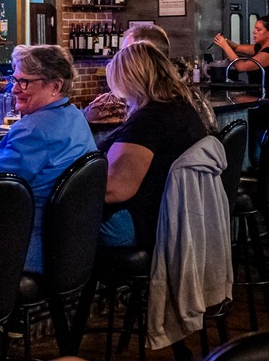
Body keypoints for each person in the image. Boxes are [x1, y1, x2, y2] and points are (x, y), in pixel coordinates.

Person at [0, 45, 94, 273]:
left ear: (55, 86)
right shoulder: (74, 116)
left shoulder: (34, 130)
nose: (14, 89)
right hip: (68, 246)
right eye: (14, 80)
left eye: (24, 82)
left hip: (22, 249)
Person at [98, 42, 211, 249]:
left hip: (139, 224)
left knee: (53, 222)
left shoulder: (150, 120)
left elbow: (115, 190)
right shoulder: (180, 107)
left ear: (131, 80)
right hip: (171, 215)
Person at [84, 24, 217, 133]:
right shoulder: (188, 93)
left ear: (146, 55)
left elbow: (91, 117)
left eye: (126, 53)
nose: (120, 59)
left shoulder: (142, 103)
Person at [213, 18, 269, 87]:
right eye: (255, 29)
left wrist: (224, 46)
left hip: (265, 94)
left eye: (258, 30)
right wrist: (225, 41)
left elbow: (241, 67)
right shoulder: (259, 47)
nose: (254, 32)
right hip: (256, 92)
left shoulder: (267, 54)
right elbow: (237, 48)